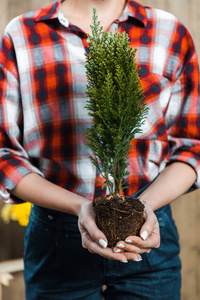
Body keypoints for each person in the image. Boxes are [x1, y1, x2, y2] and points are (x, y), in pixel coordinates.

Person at [0, 0, 199, 299]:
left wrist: (143, 207)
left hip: (148, 231)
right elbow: (5, 154)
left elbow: (190, 148)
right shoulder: (22, 34)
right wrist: (78, 208)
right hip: (56, 240)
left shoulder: (170, 32)